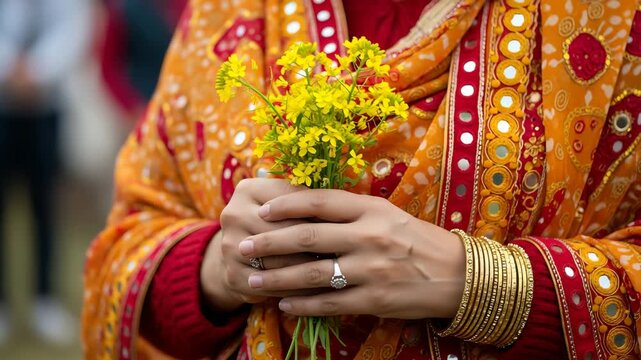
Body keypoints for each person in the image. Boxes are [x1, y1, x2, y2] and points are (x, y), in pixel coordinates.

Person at [82, 0, 641, 359]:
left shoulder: (609, 21)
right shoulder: (229, 13)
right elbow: (123, 249)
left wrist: (481, 284)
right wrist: (221, 268)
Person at [0, 0, 90, 345]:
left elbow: (72, 30)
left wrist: (37, 71)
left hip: (47, 105)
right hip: (3, 105)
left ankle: (44, 299)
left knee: (45, 207)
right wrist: (9, 67)